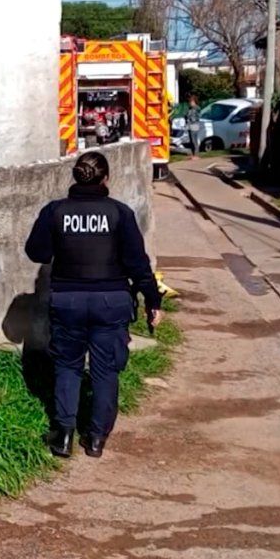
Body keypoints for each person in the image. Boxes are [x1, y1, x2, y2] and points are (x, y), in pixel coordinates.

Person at [23, 152, 162, 459]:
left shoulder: (55, 211)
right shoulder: (119, 213)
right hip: (110, 302)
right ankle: (96, 438)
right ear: (106, 178)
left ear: (76, 177)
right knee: (105, 371)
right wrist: (153, 300)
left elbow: (36, 252)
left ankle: (63, 436)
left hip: (68, 301)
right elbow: (138, 265)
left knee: (68, 367)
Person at [185, 95, 202, 159]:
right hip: (190, 125)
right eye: (190, 102)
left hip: (195, 125)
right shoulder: (190, 109)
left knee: (194, 140)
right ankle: (192, 154)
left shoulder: (197, 108)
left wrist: (192, 119)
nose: (190, 103)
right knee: (191, 140)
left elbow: (198, 116)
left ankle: (196, 154)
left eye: (191, 102)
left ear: (194, 101)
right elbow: (187, 116)